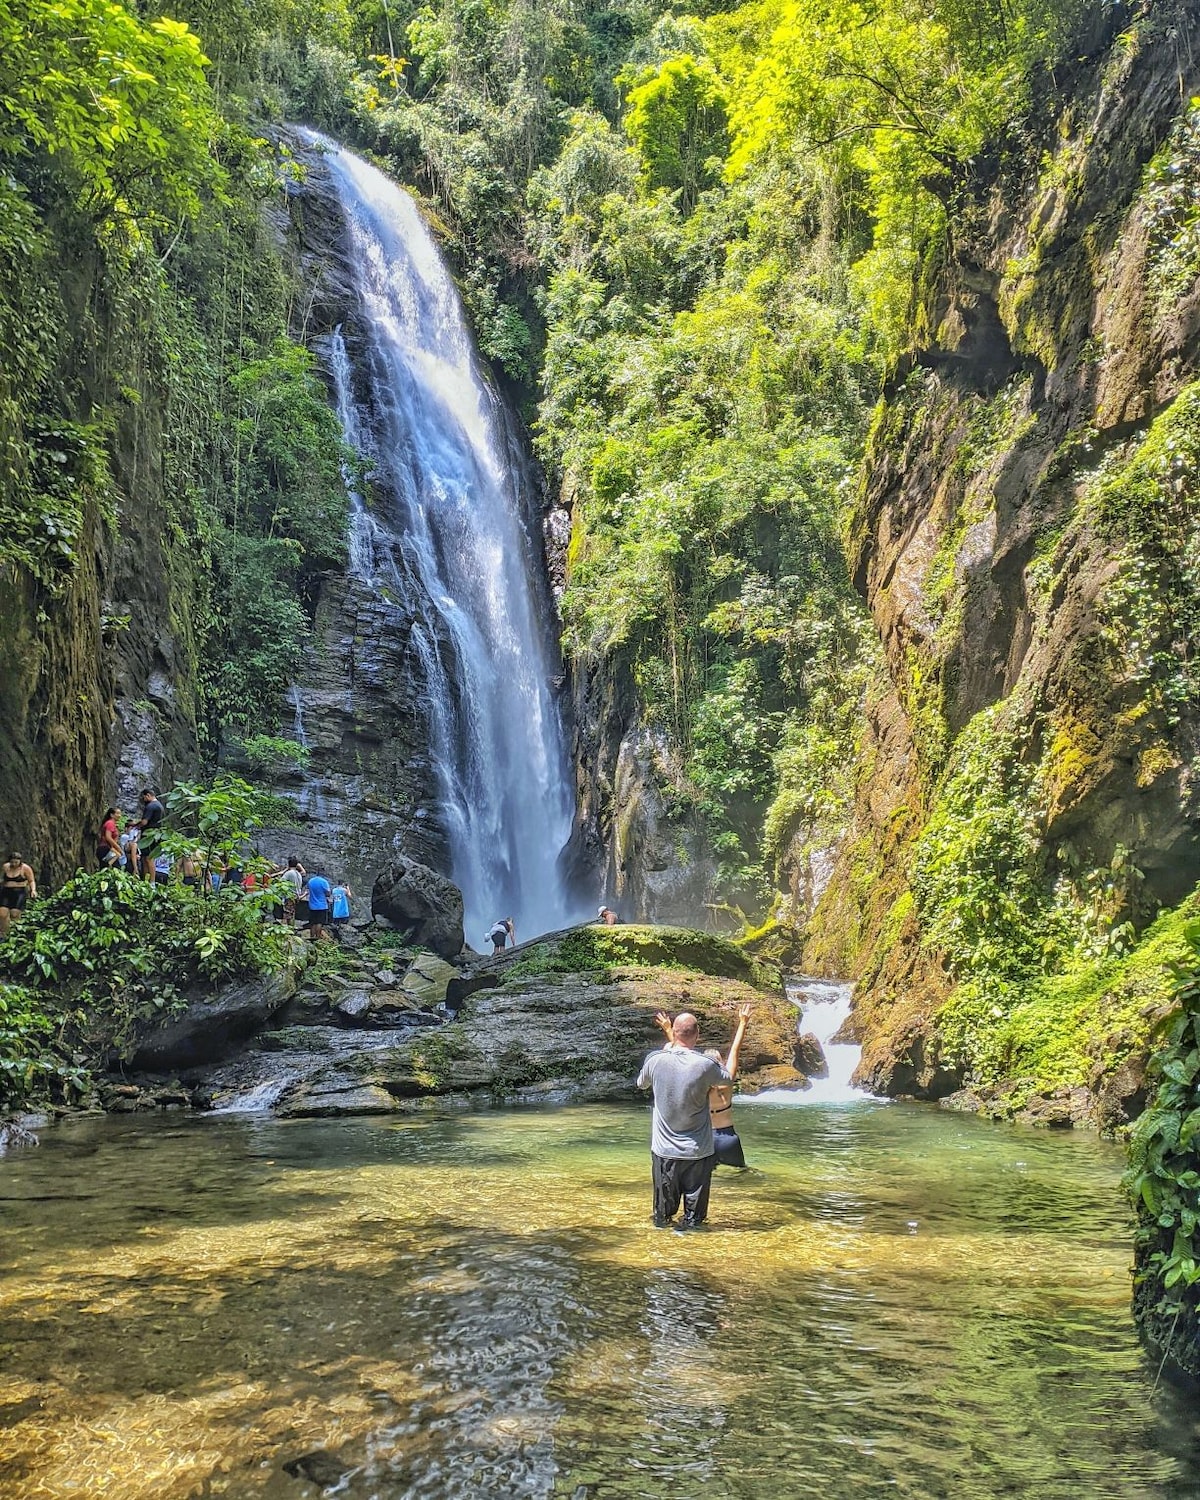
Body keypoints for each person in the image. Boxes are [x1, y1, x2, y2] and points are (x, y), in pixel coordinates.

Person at [636, 1012, 730, 1231]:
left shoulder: (655, 1059)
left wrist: (666, 1048)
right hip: (698, 1152)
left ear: (674, 1033)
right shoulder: (706, 1065)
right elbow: (727, 1078)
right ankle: (689, 1257)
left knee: (661, 1219)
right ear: (697, 1035)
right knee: (694, 1221)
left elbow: (641, 1083)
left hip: (664, 1152)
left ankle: (661, 1258)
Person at [657, 1002, 753, 1170]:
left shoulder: (698, 1081)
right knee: (742, 1177)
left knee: (706, 1181)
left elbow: (683, 1056)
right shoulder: (726, 1082)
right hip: (728, 1138)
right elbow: (735, 1051)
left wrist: (668, 1030)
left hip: (704, 1138)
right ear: (720, 1065)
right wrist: (743, 1022)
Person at [0, 852, 36, 940]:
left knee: (14, 914)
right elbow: (1, 878)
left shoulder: (25, 868)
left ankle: (15, 933)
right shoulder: (5, 867)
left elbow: (31, 881)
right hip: (6, 891)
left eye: (16, 862)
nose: (14, 864)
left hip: (19, 892)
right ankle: (3, 934)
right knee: (2, 913)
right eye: (12, 862)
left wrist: (33, 890)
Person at [133, 789, 165, 883]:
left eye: (144, 797)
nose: (143, 800)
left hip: (149, 836)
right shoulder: (159, 806)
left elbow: (144, 822)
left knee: (148, 858)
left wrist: (136, 826)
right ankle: (146, 880)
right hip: (156, 834)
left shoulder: (151, 806)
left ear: (148, 795)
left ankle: (152, 882)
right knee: (145, 858)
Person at [273, 856, 306, 925]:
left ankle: (286, 931)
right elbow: (304, 873)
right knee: (291, 914)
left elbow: (281, 881)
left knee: (286, 915)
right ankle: (291, 929)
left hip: (289, 897)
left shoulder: (289, 873)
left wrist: (283, 872)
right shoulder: (299, 874)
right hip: (296, 896)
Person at [306, 867, 332, 940]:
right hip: (322, 905)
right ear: (323, 873)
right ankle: (318, 937)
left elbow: (308, 890)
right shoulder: (324, 882)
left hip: (312, 905)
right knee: (319, 922)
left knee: (313, 923)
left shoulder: (311, 881)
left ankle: (312, 937)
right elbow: (328, 894)